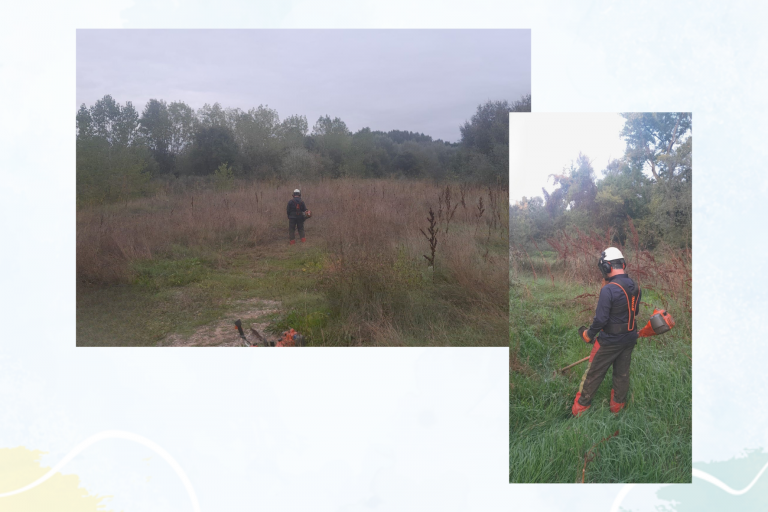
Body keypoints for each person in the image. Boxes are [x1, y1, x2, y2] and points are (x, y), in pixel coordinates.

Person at [572, 247, 641, 417]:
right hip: (630, 338)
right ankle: (617, 408)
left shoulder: (608, 289)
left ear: (606, 267)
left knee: (593, 374)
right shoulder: (635, 286)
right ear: (623, 264)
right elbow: (635, 312)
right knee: (622, 373)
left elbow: (601, 319)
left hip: (609, 341)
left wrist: (589, 334)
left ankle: (580, 409)